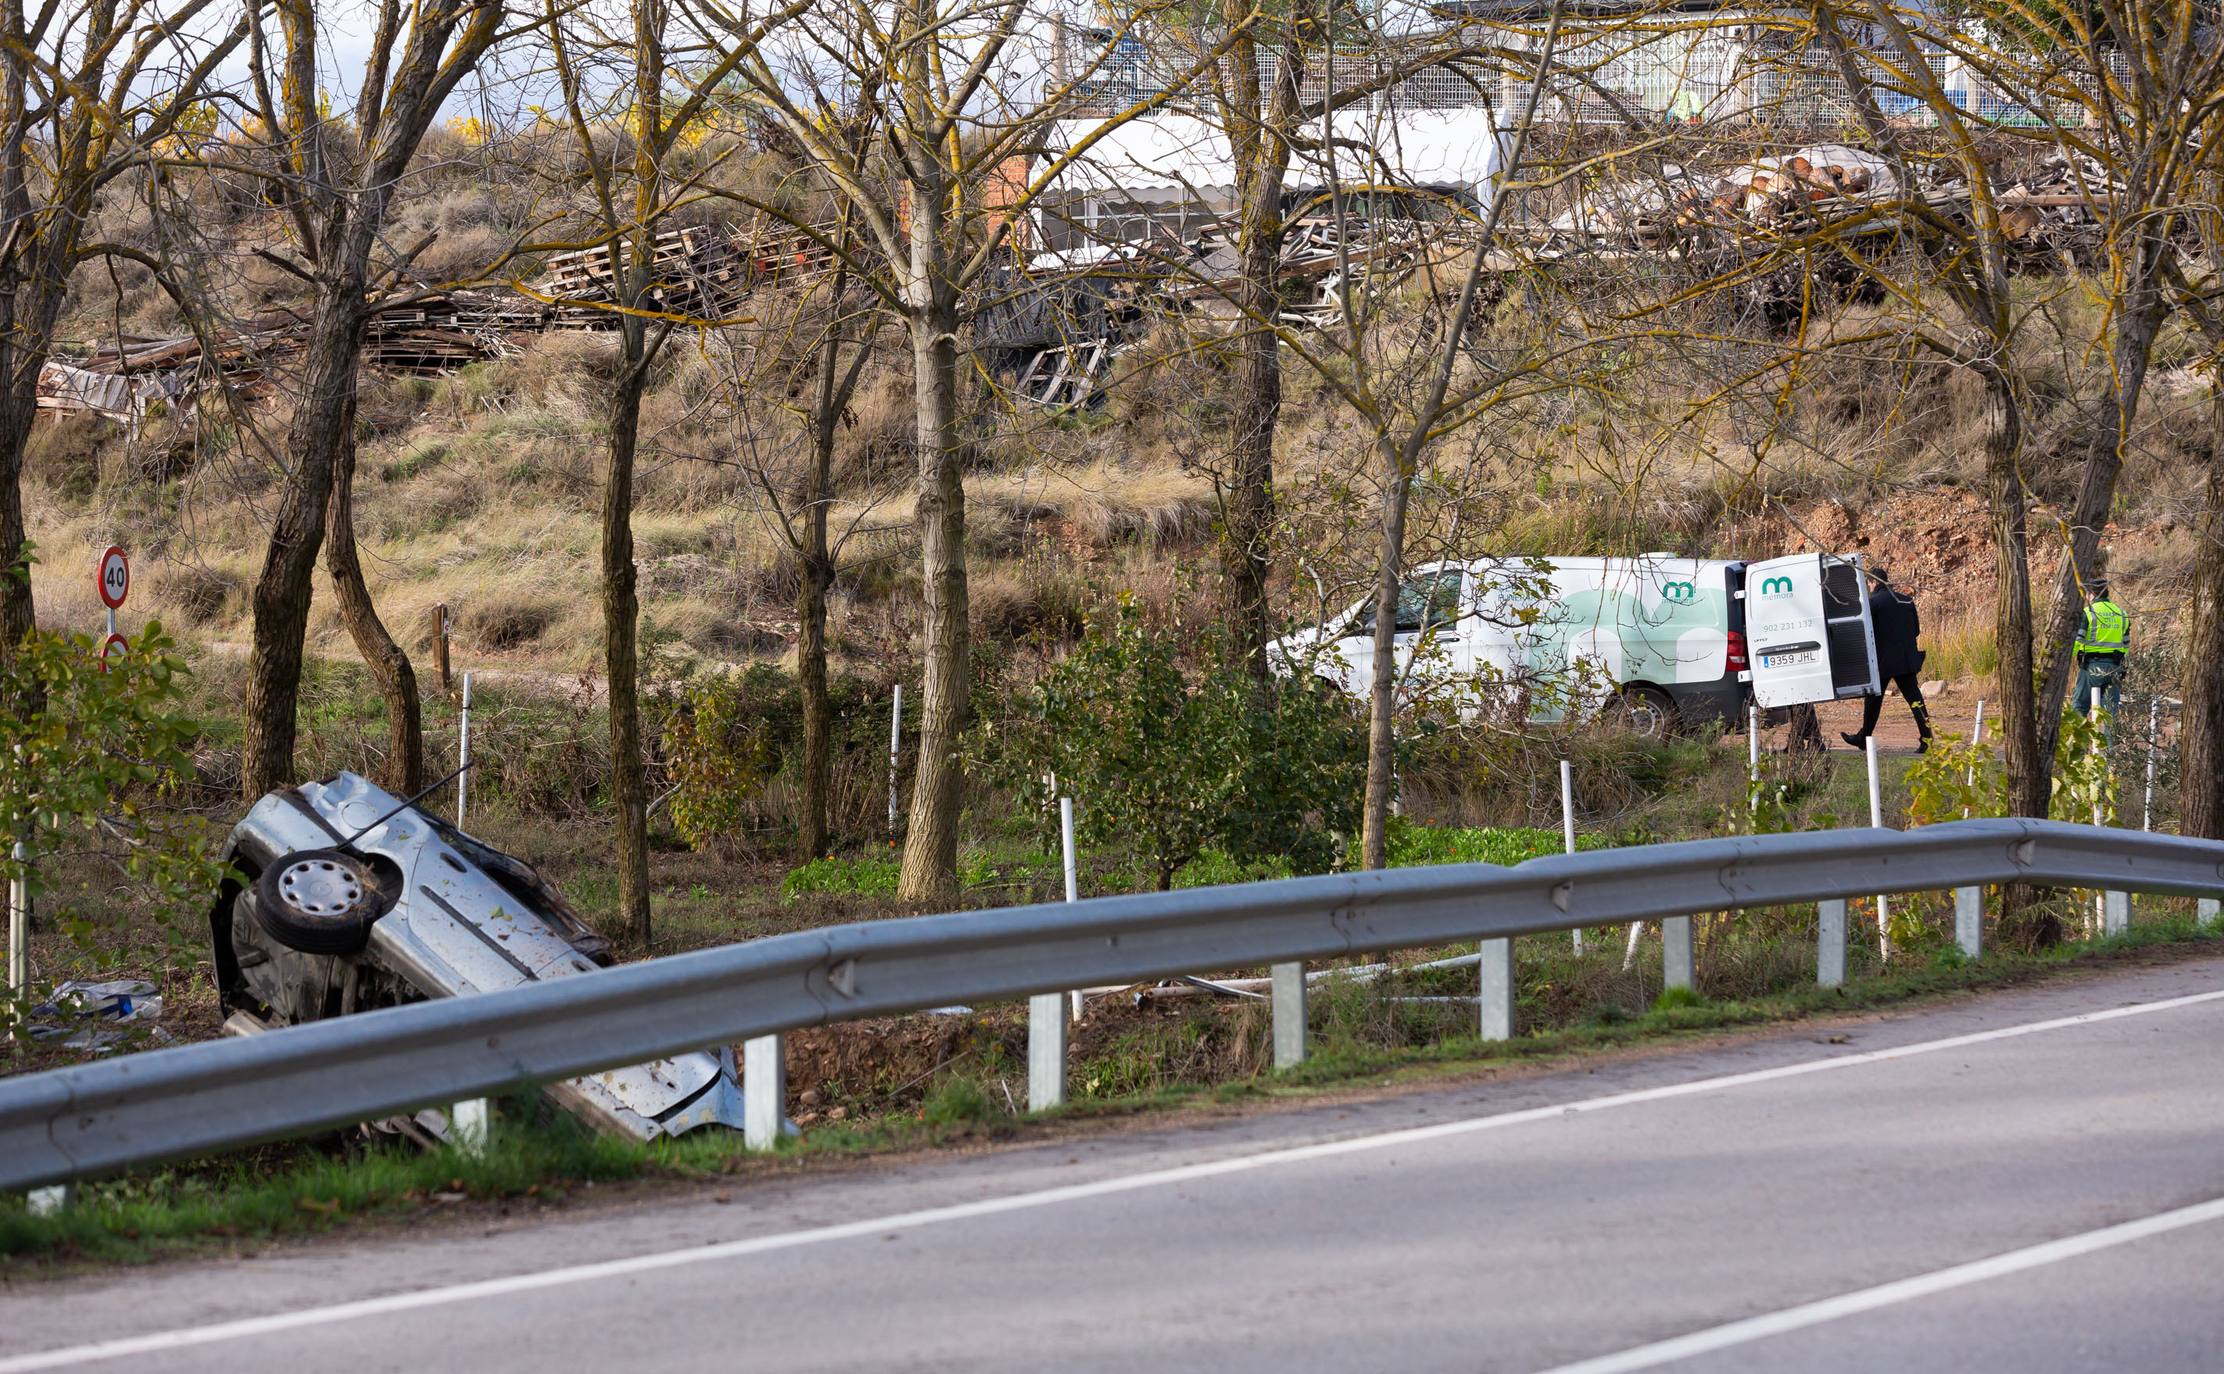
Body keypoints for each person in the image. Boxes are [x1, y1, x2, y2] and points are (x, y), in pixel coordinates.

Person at [1842, 566, 1933, 753]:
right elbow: (1916, 630)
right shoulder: (1906, 600)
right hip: (1906, 660)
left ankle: (1863, 737)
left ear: (1873, 582)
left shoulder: (1872, 604)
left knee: (1873, 701)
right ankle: (1927, 738)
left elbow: (1867, 634)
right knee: (1915, 701)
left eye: (1868, 583)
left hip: (1882, 661)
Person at [2073, 576, 2130, 719]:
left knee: (2079, 707)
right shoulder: (2121, 614)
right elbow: (2125, 645)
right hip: (2115, 668)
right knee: (2111, 714)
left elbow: (2077, 641)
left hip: (2091, 667)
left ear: (2092, 594)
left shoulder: (2088, 613)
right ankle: (2112, 742)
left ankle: (2077, 741)